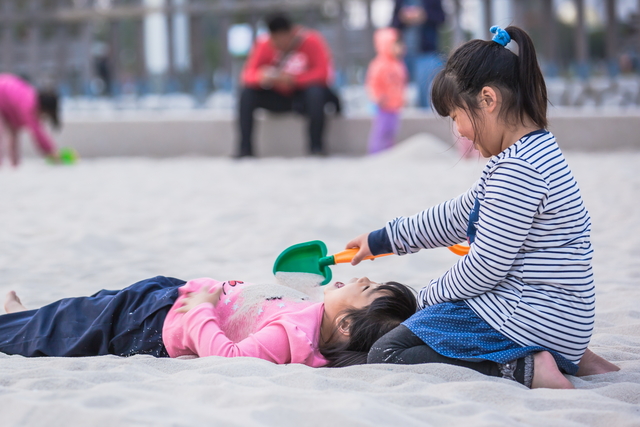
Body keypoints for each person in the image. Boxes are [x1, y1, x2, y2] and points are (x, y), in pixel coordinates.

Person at [345, 26, 620, 389]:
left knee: (389, 352)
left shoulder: (519, 171)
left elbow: (486, 266)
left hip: (530, 315)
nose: (459, 131)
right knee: (429, 325)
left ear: (488, 100)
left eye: (456, 116)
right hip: (560, 314)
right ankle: (572, 356)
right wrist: (385, 239)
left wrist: (429, 296)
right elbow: (459, 215)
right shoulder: (532, 152)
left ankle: (532, 368)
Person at [0, 275, 417, 368]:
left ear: (345, 326)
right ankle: (20, 317)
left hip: (155, 321)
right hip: (169, 298)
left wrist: (200, 305)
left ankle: (12, 326)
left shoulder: (290, 336)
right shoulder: (310, 319)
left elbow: (226, 355)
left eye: (366, 289)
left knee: (69, 326)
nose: (363, 278)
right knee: (79, 309)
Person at [237, 13, 340, 158]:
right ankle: (245, 149)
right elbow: (247, 75)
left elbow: (323, 73)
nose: (279, 44)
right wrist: (262, 77)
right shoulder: (263, 44)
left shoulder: (311, 40)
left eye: (282, 39)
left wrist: (294, 80)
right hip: (277, 96)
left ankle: (316, 146)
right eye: (275, 40)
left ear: (290, 33)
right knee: (246, 94)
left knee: (316, 93)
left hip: (304, 96)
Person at [391, 0, 445, 109]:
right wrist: (402, 17)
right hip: (403, 54)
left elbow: (442, 18)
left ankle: (425, 123)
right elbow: (393, 23)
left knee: (424, 97)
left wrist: (424, 15)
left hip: (426, 53)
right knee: (399, 95)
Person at [0, 74, 60, 166]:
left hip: (6, 100)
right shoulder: (29, 107)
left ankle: (14, 164)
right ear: (43, 108)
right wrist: (51, 152)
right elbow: (38, 133)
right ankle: (11, 164)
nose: (43, 118)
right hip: (3, 94)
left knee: (13, 134)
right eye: (45, 115)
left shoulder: (29, 98)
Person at [366, 28, 408, 154]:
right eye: (396, 45)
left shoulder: (399, 64)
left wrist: (403, 98)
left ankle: (388, 153)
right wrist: (377, 97)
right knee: (381, 131)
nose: (400, 48)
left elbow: (401, 83)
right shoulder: (379, 64)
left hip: (395, 106)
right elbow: (372, 83)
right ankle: (375, 153)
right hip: (383, 106)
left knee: (391, 131)